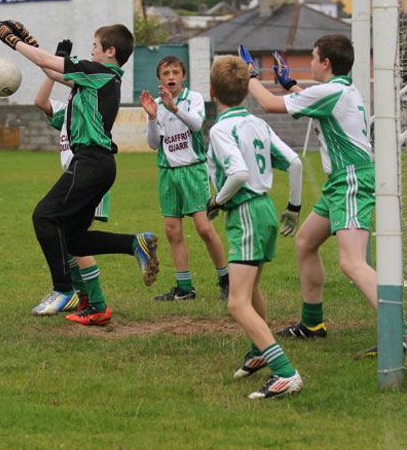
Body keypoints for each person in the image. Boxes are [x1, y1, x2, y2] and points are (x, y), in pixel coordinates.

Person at [0, 19, 159, 318]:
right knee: (74, 239)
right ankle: (134, 243)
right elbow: (51, 69)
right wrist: (32, 44)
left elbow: (50, 64)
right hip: (96, 164)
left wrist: (10, 39)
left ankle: (64, 289)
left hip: (91, 163)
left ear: (110, 51)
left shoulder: (98, 72)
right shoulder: (98, 77)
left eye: (94, 46)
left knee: (44, 217)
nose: (91, 51)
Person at [239, 34, 377, 346]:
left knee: (352, 262)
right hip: (340, 180)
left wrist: (249, 74)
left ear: (326, 63)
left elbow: (269, 104)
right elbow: (305, 100)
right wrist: (289, 85)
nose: (309, 63)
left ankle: (400, 330)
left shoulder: (330, 91)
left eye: (313, 58)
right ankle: (312, 324)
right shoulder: (338, 89)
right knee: (305, 242)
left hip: (352, 180)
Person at [207, 55, 303, 399]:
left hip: (246, 210)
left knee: (236, 302)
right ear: (248, 89)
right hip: (264, 210)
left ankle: (285, 372)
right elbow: (293, 162)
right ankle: (259, 351)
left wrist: (217, 200)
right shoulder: (258, 123)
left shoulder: (221, 129)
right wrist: (293, 207)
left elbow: (238, 174)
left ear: (212, 91)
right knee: (252, 289)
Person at [34, 38, 112, 326]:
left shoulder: (86, 107)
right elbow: (40, 102)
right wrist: (54, 61)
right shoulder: (69, 109)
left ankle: (93, 302)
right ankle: (84, 298)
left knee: (76, 243)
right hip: (74, 178)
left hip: (88, 177)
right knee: (67, 240)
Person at [140, 55, 229, 301]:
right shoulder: (156, 104)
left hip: (193, 169)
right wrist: (151, 116)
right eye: (166, 74)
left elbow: (197, 125)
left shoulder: (194, 99)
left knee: (203, 228)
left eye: (175, 73)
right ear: (159, 78)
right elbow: (152, 143)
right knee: (172, 230)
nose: (171, 77)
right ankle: (184, 288)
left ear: (183, 76)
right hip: (168, 172)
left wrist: (174, 109)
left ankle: (226, 280)